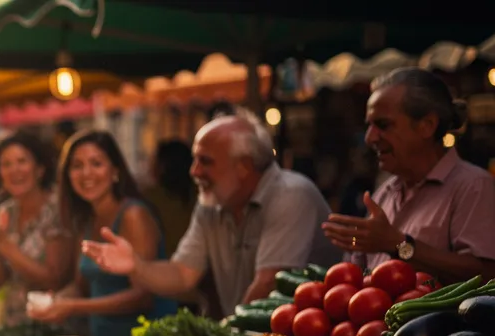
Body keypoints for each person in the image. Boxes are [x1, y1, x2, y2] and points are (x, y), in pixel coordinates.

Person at [83, 111, 336, 319]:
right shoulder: (212, 203)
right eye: (195, 159)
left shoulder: (290, 195)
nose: (194, 171)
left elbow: (268, 284)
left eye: (206, 161)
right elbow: (183, 273)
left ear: (244, 167)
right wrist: (136, 266)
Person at [324, 67, 495, 281]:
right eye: (369, 126)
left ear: (427, 126)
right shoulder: (384, 193)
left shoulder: (473, 186)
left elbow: (485, 274)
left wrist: (397, 244)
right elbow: (352, 279)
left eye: (383, 125)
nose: (370, 138)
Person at [28, 130, 177, 336]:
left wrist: (72, 307)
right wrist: (55, 300)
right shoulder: (88, 219)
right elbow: (82, 286)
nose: (86, 173)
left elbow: (143, 295)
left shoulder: (133, 215)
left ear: (115, 171)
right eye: (77, 166)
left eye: (96, 163)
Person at [0, 130, 70, 323]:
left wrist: (2, 243)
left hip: (53, 326)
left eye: (22, 161)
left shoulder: (57, 209)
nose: (15, 170)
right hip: (13, 322)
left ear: (39, 169)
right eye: (6, 164)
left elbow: (53, 279)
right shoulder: (6, 211)